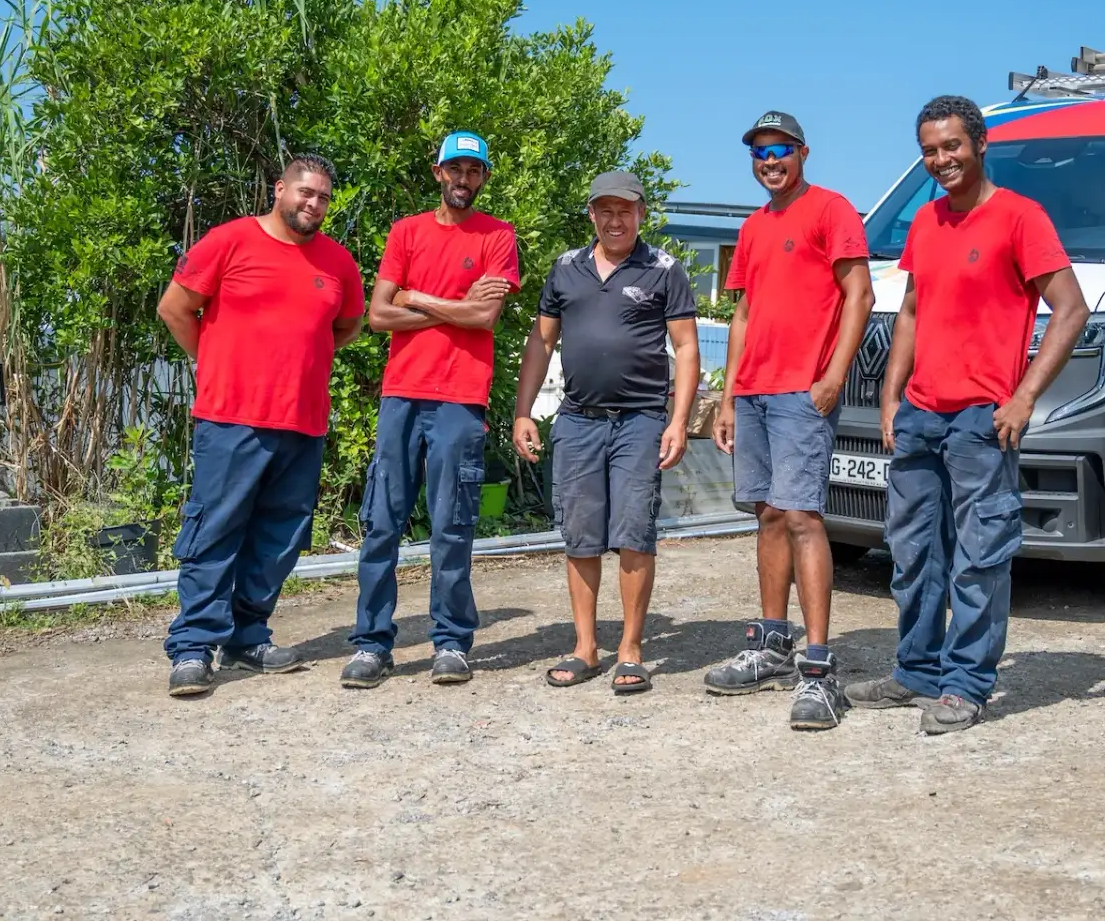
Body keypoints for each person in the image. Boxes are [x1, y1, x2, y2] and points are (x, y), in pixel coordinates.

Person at [847, 95, 1088, 734]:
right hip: (922, 414)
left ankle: (966, 685)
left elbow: (1071, 309)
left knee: (979, 556)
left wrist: (1025, 395)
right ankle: (916, 671)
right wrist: (891, 394)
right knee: (913, 553)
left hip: (984, 419)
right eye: (929, 150)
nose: (941, 159)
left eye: (952, 145)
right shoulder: (926, 221)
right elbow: (911, 311)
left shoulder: (1020, 217)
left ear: (981, 144)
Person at [156, 154, 365, 698]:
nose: (313, 203)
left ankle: (247, 637)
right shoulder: (229, 241)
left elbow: (346, 327)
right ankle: (193, 647)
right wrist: (215, 361)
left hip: (303, 421)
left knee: (280, 537)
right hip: (231, 418)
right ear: (280, 189)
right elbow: (174, 309)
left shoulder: (338, 262)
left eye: (323, 197)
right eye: (304, 192)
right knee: (214, 531)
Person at [705, 110, 874, 730]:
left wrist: (833, 374)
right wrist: (727, 396)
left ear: (803, 152)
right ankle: (772, 645)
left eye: (780, 149)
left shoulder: (831, 209)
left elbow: (860, 294)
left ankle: (819, 670)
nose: (770, 161)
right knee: (769, 514)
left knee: (802, 515)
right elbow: (744, 314)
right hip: (753, 391)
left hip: (804, 390)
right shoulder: (752, 227)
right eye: (759, 152)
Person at [342, 132, 520, 690]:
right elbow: (377, 316)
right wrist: (456, 306)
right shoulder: (406, 232)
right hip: (402, 394)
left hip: (460, 398)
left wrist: (415, 297)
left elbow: (484, 318)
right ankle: (372, 644)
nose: (464, 179)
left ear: (483, 177)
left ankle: (451, 642)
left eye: (474, 170)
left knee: (452, 525)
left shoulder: (498, 235)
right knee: (382, 523)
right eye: (455, 168)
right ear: (438, 172)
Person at [512, 171, 701, 696]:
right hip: (578, 420)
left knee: (635, 533)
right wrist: (523, 412)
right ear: (592, 214)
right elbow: (540, 343)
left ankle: (631, 650)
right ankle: (585, 648)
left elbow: (687, 348)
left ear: (641, 214)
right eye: (606, 210)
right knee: (581, 535)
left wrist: (678, 420)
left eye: (626, 210)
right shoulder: (565, 268)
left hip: (640, 421)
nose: (616, 220)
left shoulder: (664, 269)